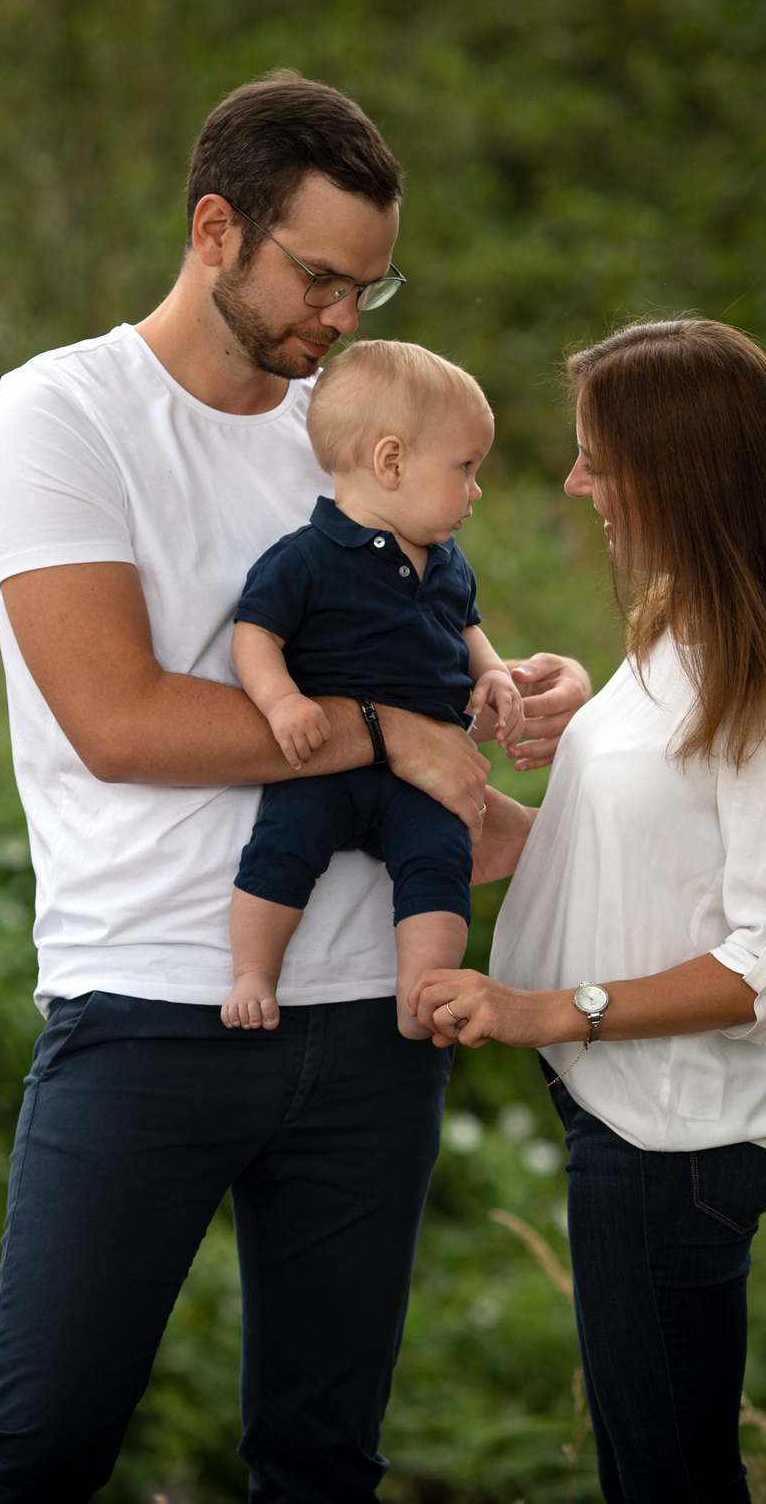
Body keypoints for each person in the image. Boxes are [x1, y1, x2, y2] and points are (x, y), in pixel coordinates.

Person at [0, 70, 593, 1502]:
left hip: (375, 1020)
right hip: (151, 1003)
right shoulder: (62, 412)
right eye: (317, 276)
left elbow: (421, 664)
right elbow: (114, 718)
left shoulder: (347, 426)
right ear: (215, 226)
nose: (343, 317)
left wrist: (513, 694)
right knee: (39, 1446)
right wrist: (386, 735)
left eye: (372, 282)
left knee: (322, 1462)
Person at [413, 318, 766, 1504]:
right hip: (622, 1121)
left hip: (677, 1141)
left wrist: (542, 1011)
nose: (575, 482)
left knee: (669, 1483)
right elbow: (667, 848)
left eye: (595, 457)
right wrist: (510, 828)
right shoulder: (681, 630)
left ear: (680, 471)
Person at [225, 340, 523, 1038]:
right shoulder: (307, 556)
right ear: (391, 461)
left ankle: (420, 995)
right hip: (329, 756)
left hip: (426, 776)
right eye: (466, 469)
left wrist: (496, 674)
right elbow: (254, 635)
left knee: (441, 860)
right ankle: (252, 972)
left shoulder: (449, 561)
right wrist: (281, 701)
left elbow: (467, 630)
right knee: (283, 845)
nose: (475, 491)